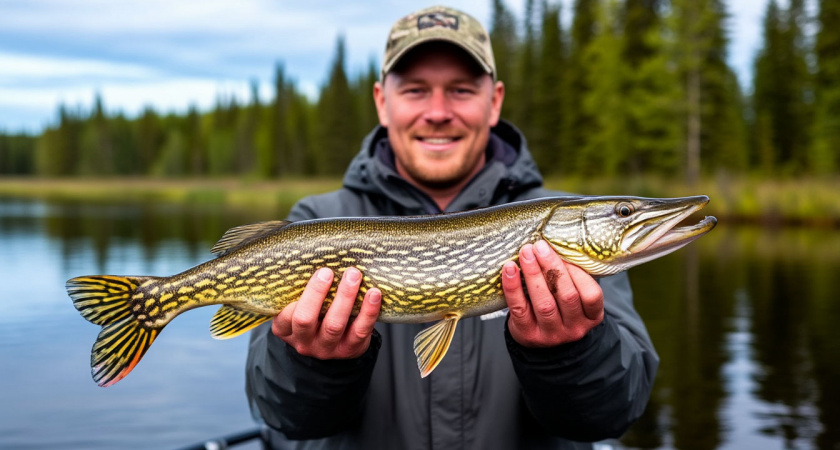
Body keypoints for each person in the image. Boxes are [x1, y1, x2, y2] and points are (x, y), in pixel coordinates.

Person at [246, 5, 658, 449]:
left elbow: (617, 410)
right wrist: (312, 366)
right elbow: (278, 413)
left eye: (460, 90)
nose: (438, 112)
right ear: (383, 102)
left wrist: (571, 354)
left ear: (494, 101)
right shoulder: (314, 220)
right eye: (416, 90)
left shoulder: (575, 246)